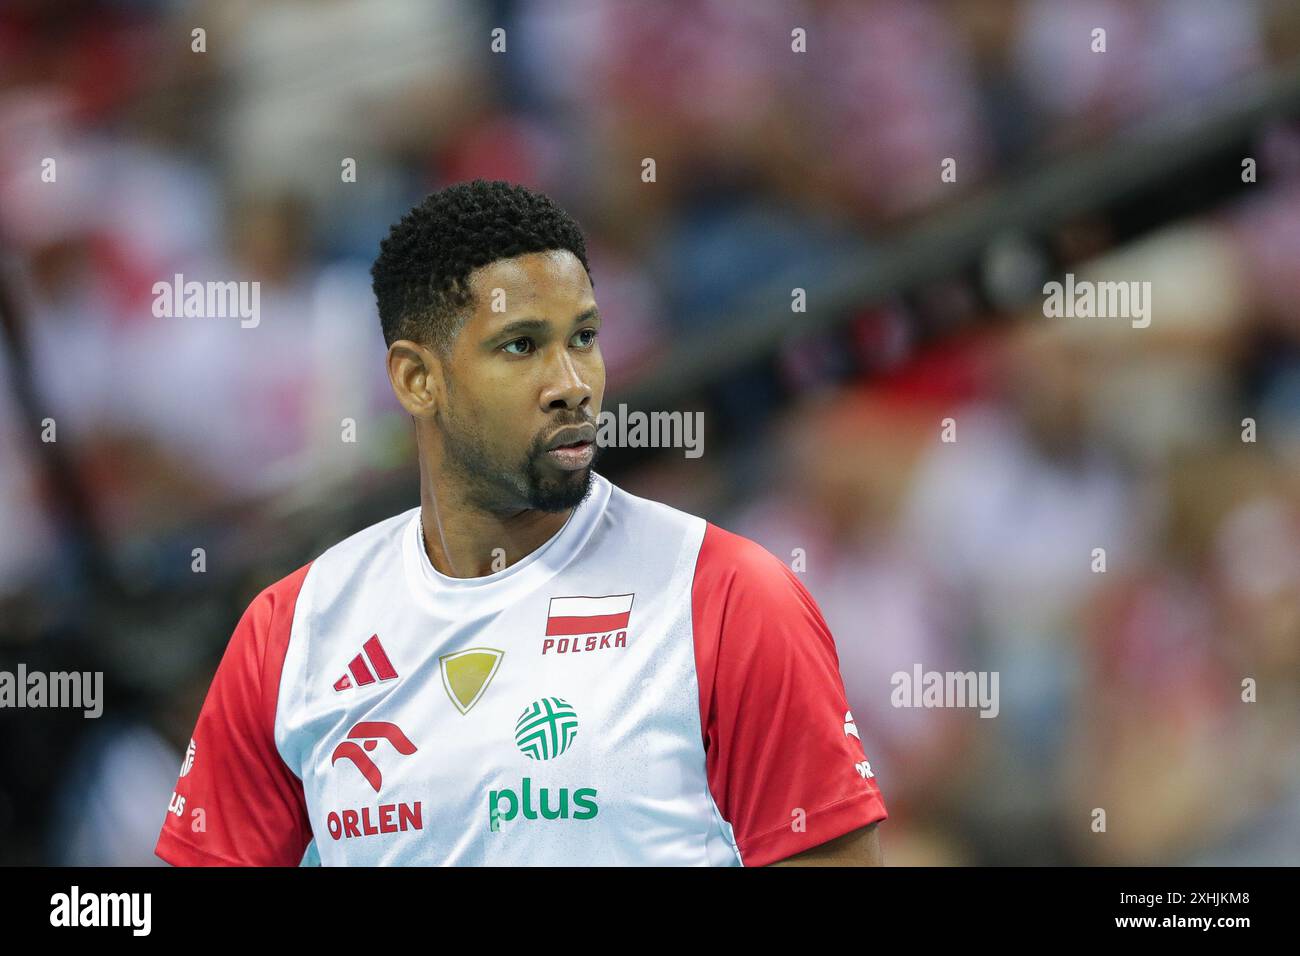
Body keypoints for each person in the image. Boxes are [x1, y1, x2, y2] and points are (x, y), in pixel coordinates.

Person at [153, 179, 887, 866]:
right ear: (417, 379)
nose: (572, 385)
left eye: (584, 338)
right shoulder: (292, 632)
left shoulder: (728, 597)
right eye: (521, 345)